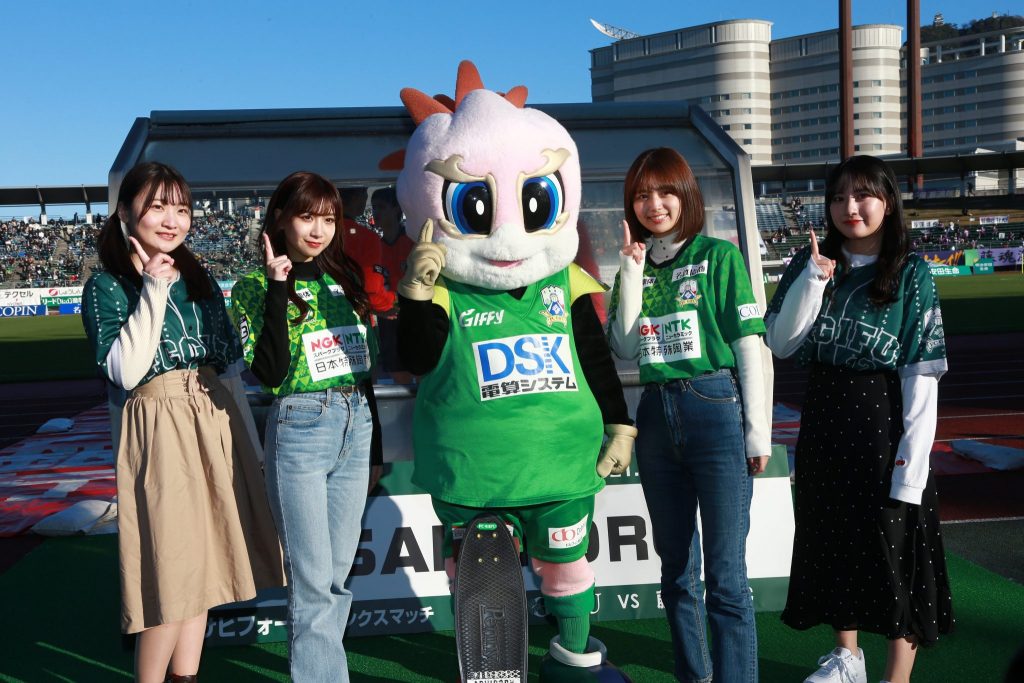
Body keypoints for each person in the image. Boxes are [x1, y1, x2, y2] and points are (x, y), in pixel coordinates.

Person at [80, 161, 283, 683]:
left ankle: (186, 676)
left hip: (213, 415)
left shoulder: (200, 278)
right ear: (125, 213)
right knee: (172, 575)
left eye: (182, 209)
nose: (173, 220)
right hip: (158, 421)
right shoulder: (107, 285)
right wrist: (152, 289)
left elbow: (229, 368)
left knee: (206, 570)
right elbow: (125, 372)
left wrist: (252, 447)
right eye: (157, 207)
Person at [764, 155, 953, 683]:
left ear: (888, 202)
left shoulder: (912, 271)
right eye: (839, 197)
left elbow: (921, 374)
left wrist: (912, 467)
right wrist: (814, 280)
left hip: (883, 423)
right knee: (833, 542)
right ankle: (846, 658)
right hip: (825, 417)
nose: (850, 207)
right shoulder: (811, 261)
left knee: (895, 550)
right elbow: (781, 342)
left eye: (863, 194)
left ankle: (896, 677)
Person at [606, 146, 770, 683]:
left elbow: (748, 346)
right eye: (641, 195)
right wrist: (631, 271)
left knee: (726, 578)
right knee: (676, 572)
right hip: (655, 414)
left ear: (686, 196)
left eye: (664, 192)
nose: (654, 204)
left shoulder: (718, 257)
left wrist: (757, 435)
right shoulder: (632, 266)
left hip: (714, 408)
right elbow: (625, 348)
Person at [230, 171, 380, 682]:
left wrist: (374, 446)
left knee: (336, 578)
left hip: (356, 424)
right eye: (306, 216)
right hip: (300, 426)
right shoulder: (253, 287)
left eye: (329, 219)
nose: (319, 230)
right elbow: (268, 373)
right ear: (279, 219)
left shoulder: (347, 279)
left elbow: (365, 367)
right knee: (314, 582)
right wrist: (278, 286)